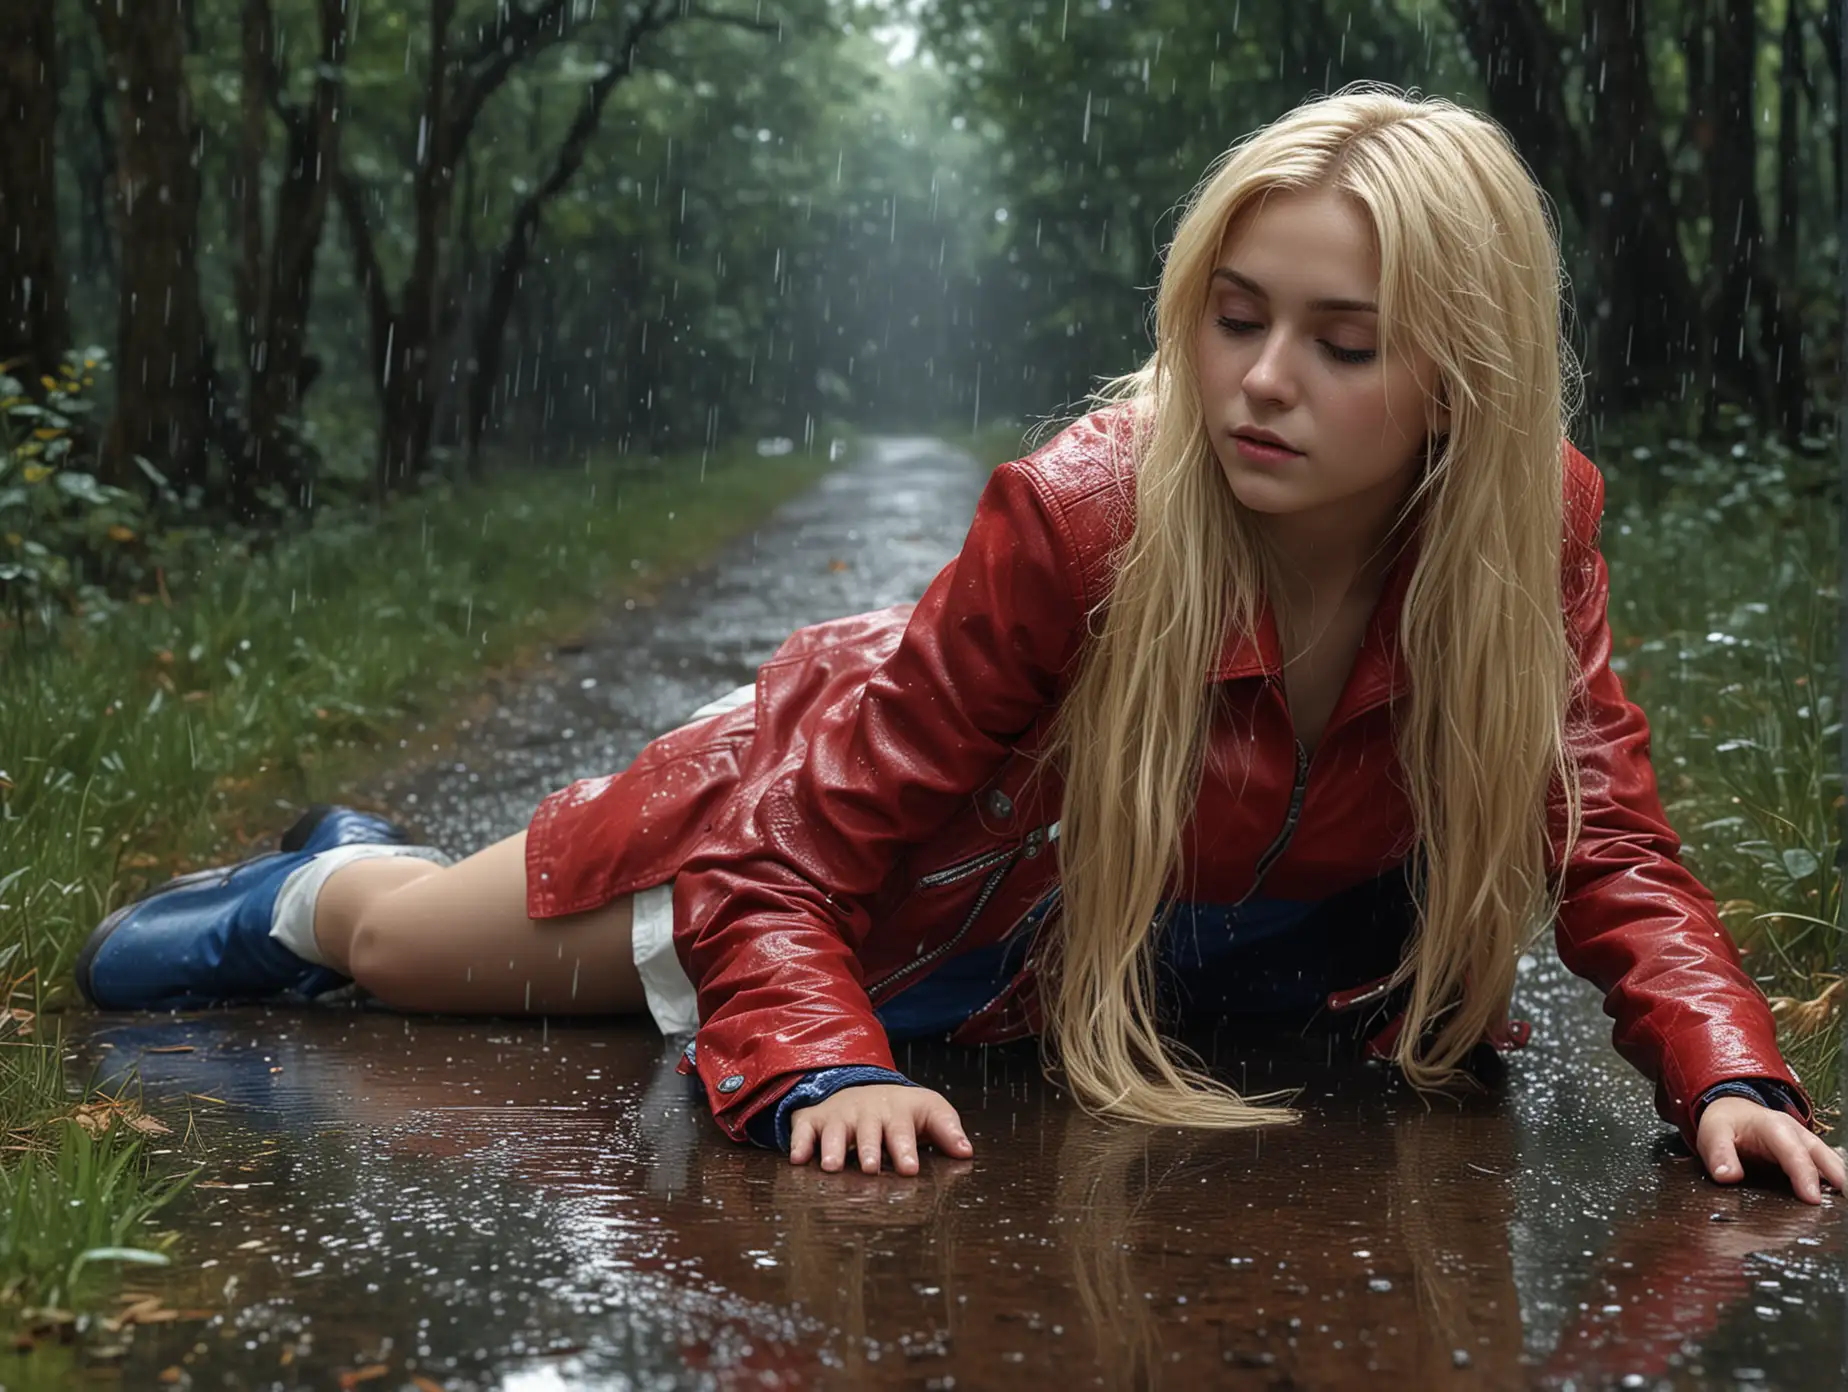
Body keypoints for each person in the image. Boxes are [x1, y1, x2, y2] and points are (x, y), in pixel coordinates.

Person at [77, 84, 1842, 1204]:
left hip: (1055, 947)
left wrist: (1726, 1074)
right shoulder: (1083, 515)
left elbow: (1601, 833)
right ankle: (315, 880)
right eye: (1232, 320)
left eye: (1341, 342)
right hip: (841, 841)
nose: (1260, 382)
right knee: (398, 958)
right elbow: (779, 864)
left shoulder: (1530, 530)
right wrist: (825, 1060)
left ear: (1466, 376)